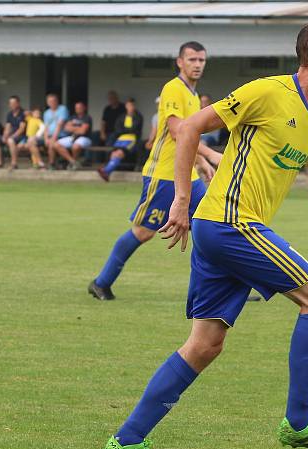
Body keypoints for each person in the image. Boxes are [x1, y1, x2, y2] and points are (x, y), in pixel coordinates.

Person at [102, 18, 308, 449]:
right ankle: (299, 422)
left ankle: (128, 440)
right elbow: (189, 127)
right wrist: (179, 201)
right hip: (229, 223)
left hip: (227, 230)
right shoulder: (266, 92)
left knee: (205, 344)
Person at [88, 41, 222, 301]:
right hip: (163, 176)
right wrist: (210, 154)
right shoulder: (173, 89)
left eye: (201, 60)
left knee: (213, 225)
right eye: (192, 59)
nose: (197, 64)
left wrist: (200, 163)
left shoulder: (193, 95)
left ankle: (216, 292)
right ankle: (101, 282)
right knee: (144, 232)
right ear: (179, 62)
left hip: (189, 177)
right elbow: (177, 132)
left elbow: (189, 138)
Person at [98, 98, 143, 181]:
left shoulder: (138, 117)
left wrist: (125, 130)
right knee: (114, 153)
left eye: (132, 105)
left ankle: (106, 170)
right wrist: (127, 130)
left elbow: (135, 130)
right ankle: (106, 173)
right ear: (126, 106)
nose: (130, 107)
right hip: (121, 139)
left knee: (119, 153)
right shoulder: (122, 117)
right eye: (129, 105)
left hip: (131, 139)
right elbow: (118, 130)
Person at [54, 101, 93, 170]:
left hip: (85, 138)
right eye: (76, 108)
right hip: (73, 137)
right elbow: (66, 128)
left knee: (75, 146)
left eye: (80, 108)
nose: (78, 109)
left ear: (84, 108)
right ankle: (73, 162)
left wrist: (72, 127)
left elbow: (83, 131)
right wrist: (78, 128)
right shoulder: (72, 117)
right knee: (56, 144)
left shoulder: (87, 117)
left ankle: (73, 164)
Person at [42, 93, 69, 169]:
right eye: (49, 101)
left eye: (53, 101)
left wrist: (53, 138)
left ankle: (51, 164)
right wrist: (45, 138)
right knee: (32, 142)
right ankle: (40, 164)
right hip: (50, 135)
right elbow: (46, 127)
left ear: (57, 101)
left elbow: (60, 125)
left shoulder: (63, 109)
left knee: (51, 143)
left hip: (61, 135)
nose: (51, 103)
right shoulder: (46, 113)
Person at [2, 95, 27, 170]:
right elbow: (7, 127)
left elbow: (21, 129)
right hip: (14, 136)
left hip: (23, 136)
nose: (11, 105)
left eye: (14, 103)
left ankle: (13, 163)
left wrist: (12, 136)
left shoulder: (23, 113)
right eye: (10, 103)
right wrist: (4, 136)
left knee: (10, 141)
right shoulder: (9, 114)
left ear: (18, 103)